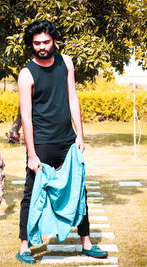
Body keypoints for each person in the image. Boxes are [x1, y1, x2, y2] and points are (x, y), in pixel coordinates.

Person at [15, 20, 108, 264]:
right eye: (37, 43)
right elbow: (25, 115)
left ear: (54, 40)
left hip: (67, 140)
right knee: (31, 194)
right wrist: (32, 154)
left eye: (46, 42)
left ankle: (86, 243)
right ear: (31, 45)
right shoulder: (26, 74)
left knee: (79, 190)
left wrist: (80, 134)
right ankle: (25, 246)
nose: (42, 47)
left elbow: (72, 96)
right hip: (42, 145)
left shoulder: (66, 62)